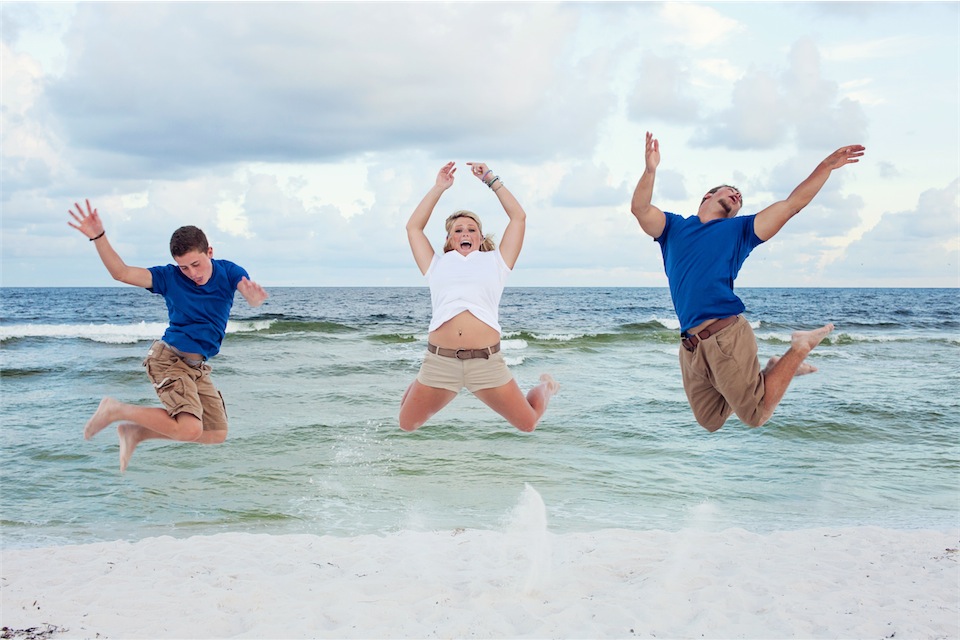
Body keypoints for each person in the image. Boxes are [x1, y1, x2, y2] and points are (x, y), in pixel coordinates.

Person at [630, 133, 865, 431]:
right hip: (690, 347)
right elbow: (640, 209)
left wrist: (826, 166)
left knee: (755, 414)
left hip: (724, 334)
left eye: (740, 198)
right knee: (710, 421)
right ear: (707, 196)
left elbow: (792, 204)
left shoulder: (740, 231)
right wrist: (650, 170)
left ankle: (800, 346)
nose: (737, 196)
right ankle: (771, 371)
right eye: (731, 191)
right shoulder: (673, 228)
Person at [68, 199, 268, 470]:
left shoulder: (228, 271)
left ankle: (136, 432)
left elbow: (246, 291)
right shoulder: (169, 278)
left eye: (196, 264)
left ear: (209, 251)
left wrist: (253, 299)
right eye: (184, 267)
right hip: (169, 359)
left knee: (215, 434)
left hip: (197, 367)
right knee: (188, 429)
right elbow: (122, 273)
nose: (192, 273)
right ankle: (115, 409)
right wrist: (99, 236)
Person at [399, 161, 560, 432]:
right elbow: (413, 228)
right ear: (449, 239)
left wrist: (490, 179)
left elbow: (518, 218)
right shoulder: (435, 264)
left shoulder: (497, 262)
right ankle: (421, 381)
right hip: (440, 362)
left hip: (486, 362)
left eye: (471, 229)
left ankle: (548, 386)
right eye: (458, 230)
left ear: (481, 237)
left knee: (528, 423)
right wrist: (439, 188)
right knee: (406, 424)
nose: (465, 233)